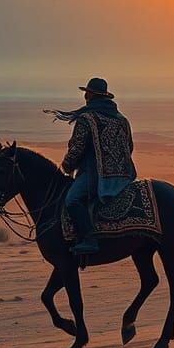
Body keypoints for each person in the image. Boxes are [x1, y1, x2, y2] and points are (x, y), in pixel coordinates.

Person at [45, 78, 136, 255]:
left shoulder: (87, 118)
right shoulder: (121, 119)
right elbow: (129, 146)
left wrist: (66, 166)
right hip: (125, 175)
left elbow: (77, 148)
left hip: (95, 175)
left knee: (71, 200)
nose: (85, 96)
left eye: (87, 92)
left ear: (92, 95)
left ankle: (89, 239)